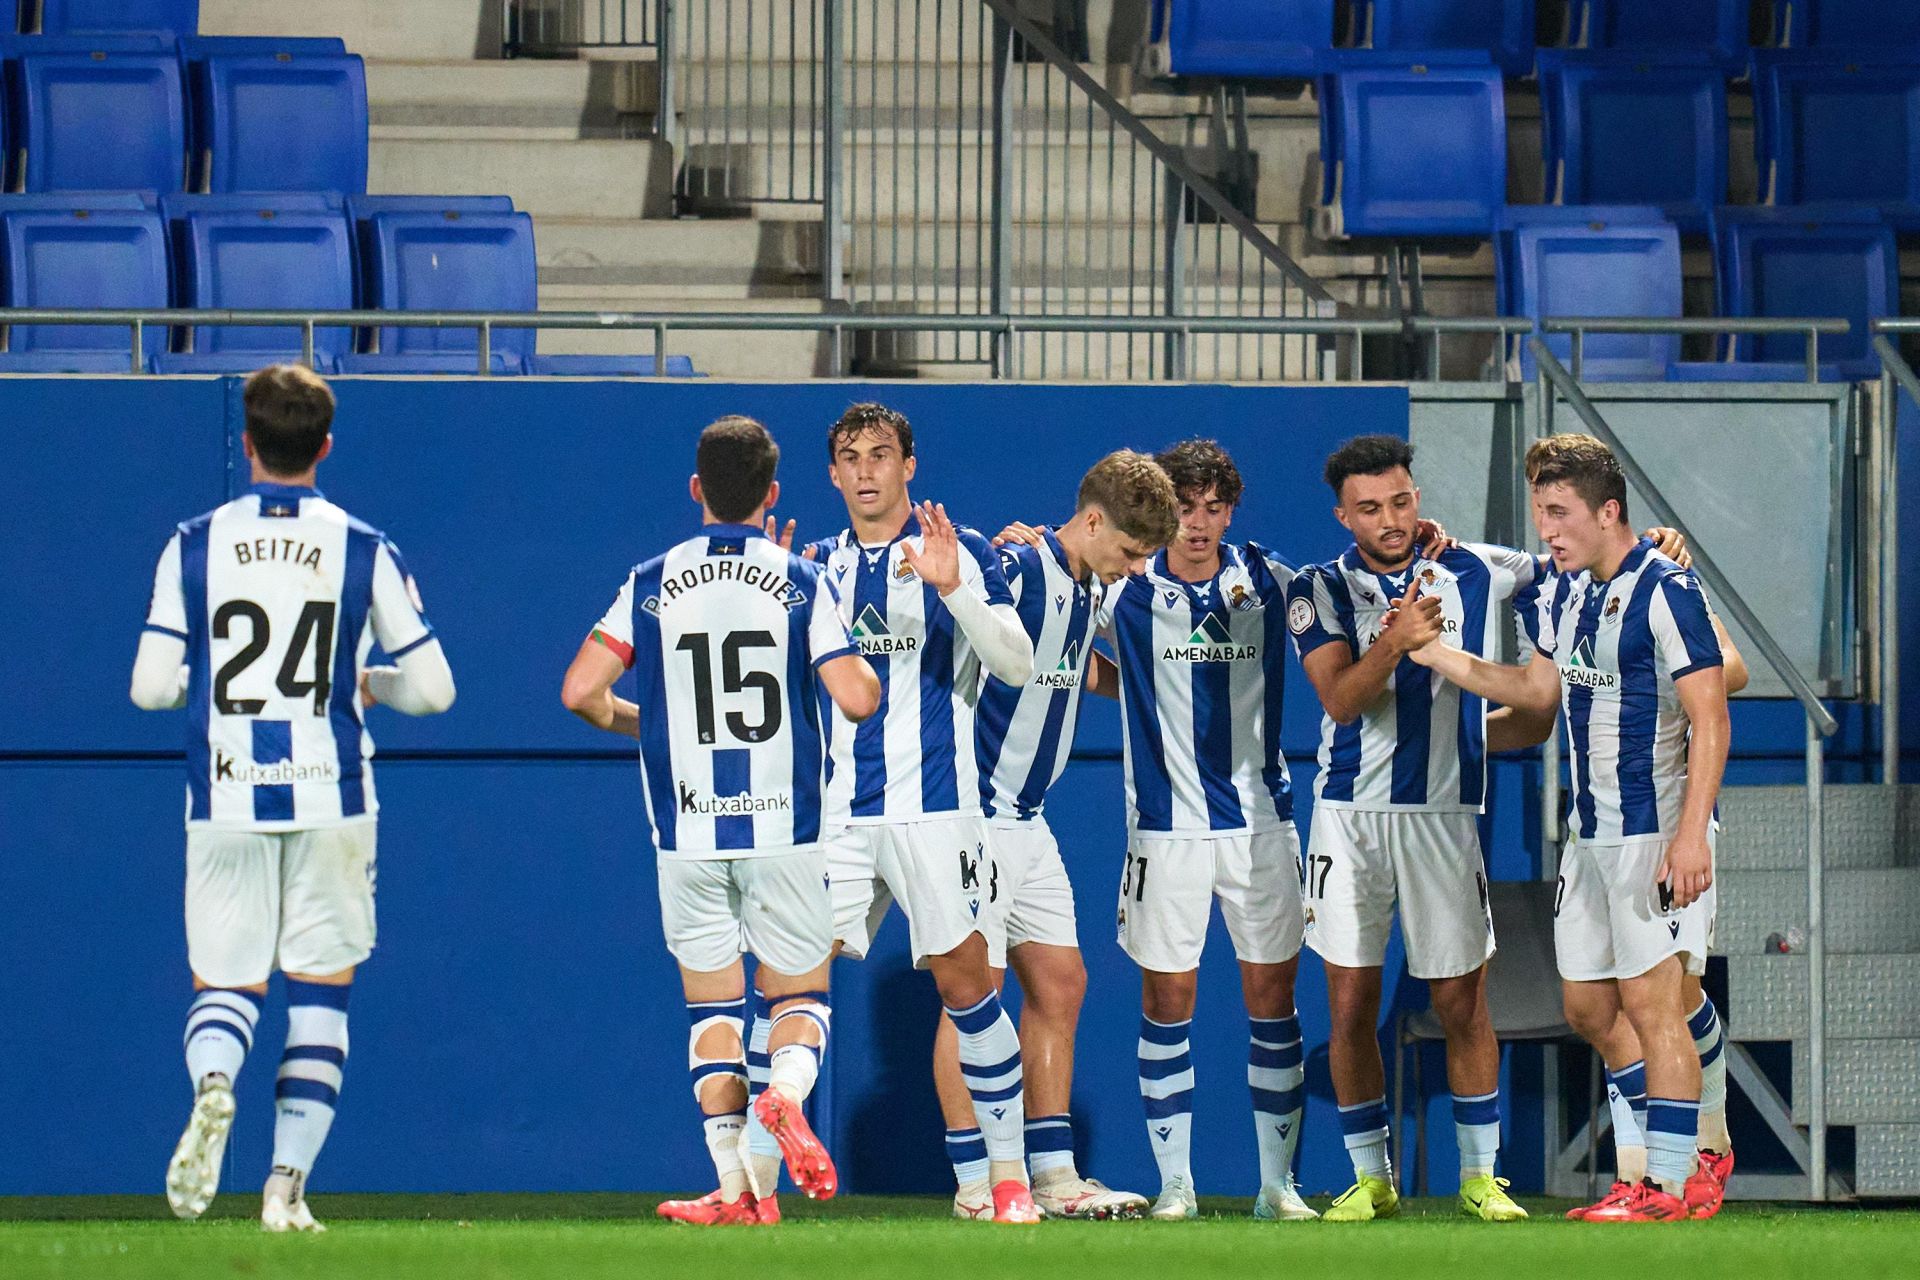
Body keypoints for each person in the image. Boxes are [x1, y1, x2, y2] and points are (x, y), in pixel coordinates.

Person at [133, 364, 456, 1232]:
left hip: (226, 796)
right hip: (333, 796)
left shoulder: (192, 543)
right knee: (321, 993)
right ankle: (285, 1190)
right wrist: (369, 683)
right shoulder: (363, 546)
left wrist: (205, 682)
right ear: (325, 446)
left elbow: (148, 687)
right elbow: (435, 690)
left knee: (226, 982)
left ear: (246, 445)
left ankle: (212, 1086)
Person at [561, 415, 880, 1227]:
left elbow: (579, 693)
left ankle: (742, 1196)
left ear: (697, 489)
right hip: (785, 833)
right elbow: (857, 698)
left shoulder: (648, 581)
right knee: (798, 1002)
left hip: (688, 838)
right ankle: (785, 1098)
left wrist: (652, 723)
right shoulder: (803, 582)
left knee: (712, 1014)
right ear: (772, 495)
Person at [1406, 432, 1732, 1223]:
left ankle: (1664, 1181)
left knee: (1655, 1005)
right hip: (1589, 836)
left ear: (1607, 510)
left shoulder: (1666, 588)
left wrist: (1692, 834)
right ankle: (1667, 1162)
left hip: (1656, 831)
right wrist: (1440, 662)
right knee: (1590, 1010)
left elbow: (1713, 716)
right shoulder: (1564, 588)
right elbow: (1534, 690)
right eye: (1539, 512)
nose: (1546, 529)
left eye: (1559, 512)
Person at [802, 403, 1043, 1225]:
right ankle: (750, 1189)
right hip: (837, 816)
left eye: (881, 454)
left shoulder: (960, 550)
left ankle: (997, 1181)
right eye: (850, 456)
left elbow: (1016, 665)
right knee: (787, 979)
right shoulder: (812, 566)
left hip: (938, 811)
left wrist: (956, 593)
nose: (866, 470)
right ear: (832, 473)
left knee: (967, 985)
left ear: (910, 464)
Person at [927, 450, 1178, 1220]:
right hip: (976, 818)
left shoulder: (1087, 583)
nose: (1137, 570)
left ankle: (1055, 1174)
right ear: (1093, 521)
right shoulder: (1017, 567)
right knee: (973, 1000)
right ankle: (976, 1181)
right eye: (1131, 552)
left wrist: (1142, 684)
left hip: (1030, 821)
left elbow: (1070, 666)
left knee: (1062, 984)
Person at [1083, 438, 1314, 1222]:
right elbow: (1071, 646)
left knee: (1272, 1003)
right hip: (1165, 830)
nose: (1199, 522)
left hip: (1260, 826)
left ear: (1231, 510)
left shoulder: (1272, 580)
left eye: (1215, 506)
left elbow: (1356, 587)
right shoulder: (1125, 588)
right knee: (1167, 1000)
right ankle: (1174, 1185)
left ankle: (1278, 1186)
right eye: (1186, 505)